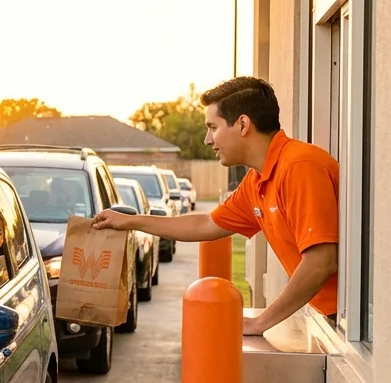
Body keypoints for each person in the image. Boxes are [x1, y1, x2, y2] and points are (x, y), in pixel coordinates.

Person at [94, 77, 338, 335]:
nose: (207, 140)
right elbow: (207, 223)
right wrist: (130, 222)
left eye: (213, 127)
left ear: (243, 124)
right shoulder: (258, 179)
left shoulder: (299, 168)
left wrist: (260, 322)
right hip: (330, 317)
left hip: (354, 324)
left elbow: (321, 262)